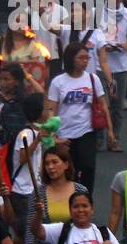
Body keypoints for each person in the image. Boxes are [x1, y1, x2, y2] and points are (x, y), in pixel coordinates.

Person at [46, 41, 118, 193]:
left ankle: (86, 198)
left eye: (87, 58)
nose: (85, 61)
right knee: (68, 170)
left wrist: (110, 130)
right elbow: (51, 110)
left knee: (88, 167)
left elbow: (103, 105)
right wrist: (53, 135)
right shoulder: (58, 82)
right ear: (71, 59)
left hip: (86, 131)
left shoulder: (92, 79)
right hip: (64, 133)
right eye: (81, 58)